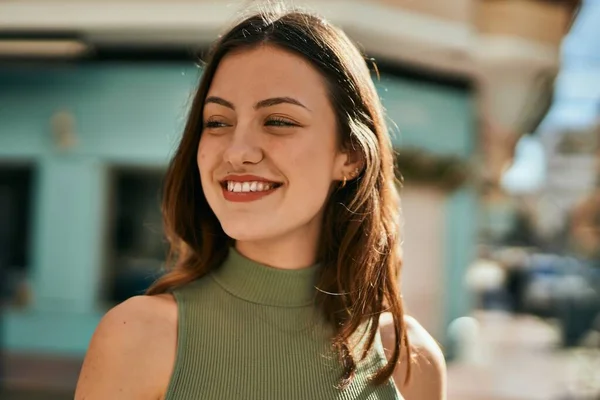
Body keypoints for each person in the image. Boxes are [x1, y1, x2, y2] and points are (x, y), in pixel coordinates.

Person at [75, 6, 446, 400]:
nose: (237, 152)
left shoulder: (407, 359)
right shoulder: (138, 337)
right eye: (217, 122)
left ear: (350, 155)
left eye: (279, 121)